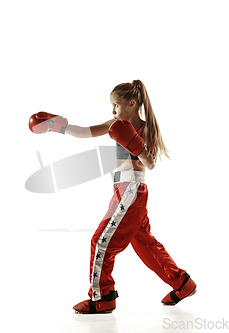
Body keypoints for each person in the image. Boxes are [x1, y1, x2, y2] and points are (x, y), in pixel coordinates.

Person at [29, 80, 196, 314]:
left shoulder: (146, 129)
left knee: (100, 241)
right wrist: (56, 125)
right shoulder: (115, 124)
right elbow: (85, 132)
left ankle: (102, 296)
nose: (113, 111)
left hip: (132, 188)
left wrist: (134, 143)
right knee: (145, 243)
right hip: (122, 190)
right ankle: (181, 283)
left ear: (131, 103)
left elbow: (150, 162)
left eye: (116, 105)